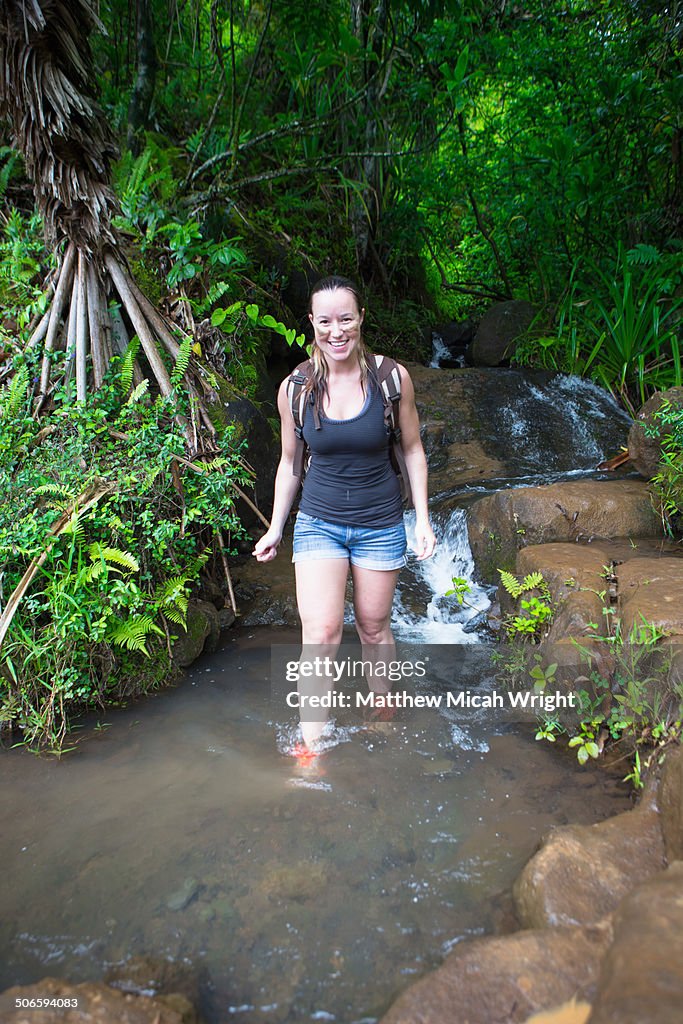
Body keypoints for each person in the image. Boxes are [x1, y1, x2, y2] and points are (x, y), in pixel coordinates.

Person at [253, 275, 436, 745]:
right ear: (312, 323)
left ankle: (384, 708)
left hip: (380, 524)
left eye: (346, 319)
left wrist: (422, 519)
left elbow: (413, 450)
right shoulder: (295, 389)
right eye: (326, 321)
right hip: (318, 524)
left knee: (374, 628)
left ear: (360, 320)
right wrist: (276, 528)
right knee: (322, 631)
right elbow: (290, 464)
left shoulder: (391, 379)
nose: (337, 331)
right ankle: (311, 742)